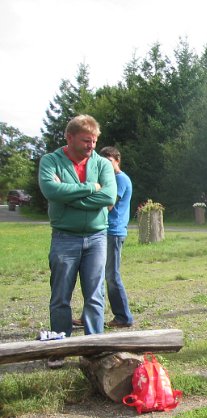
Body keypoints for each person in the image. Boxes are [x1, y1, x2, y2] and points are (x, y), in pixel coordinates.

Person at [38, 115, 117, 367]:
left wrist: (70, 196)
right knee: (61, 295)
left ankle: (95, 349)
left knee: (95, 294)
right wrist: (91, 188)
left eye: (94, 141)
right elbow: (51, 191)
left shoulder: (103, 164)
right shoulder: (51, 161)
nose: (91, 146)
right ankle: (59, 349)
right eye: (86, 140)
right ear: (69, 137)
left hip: (96, 237)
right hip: (64, 238)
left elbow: (109, 196)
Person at [98, 146, 134, 328]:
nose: (106, 164)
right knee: (96, 275)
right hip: (104, 231)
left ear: (117, 160)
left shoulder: (120, 179)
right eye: (103, 161)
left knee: (112, 276)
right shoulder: (109, 180)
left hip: (114, 232)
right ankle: (91, 315)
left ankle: (123, 317)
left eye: (109, 161)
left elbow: (109, 205)